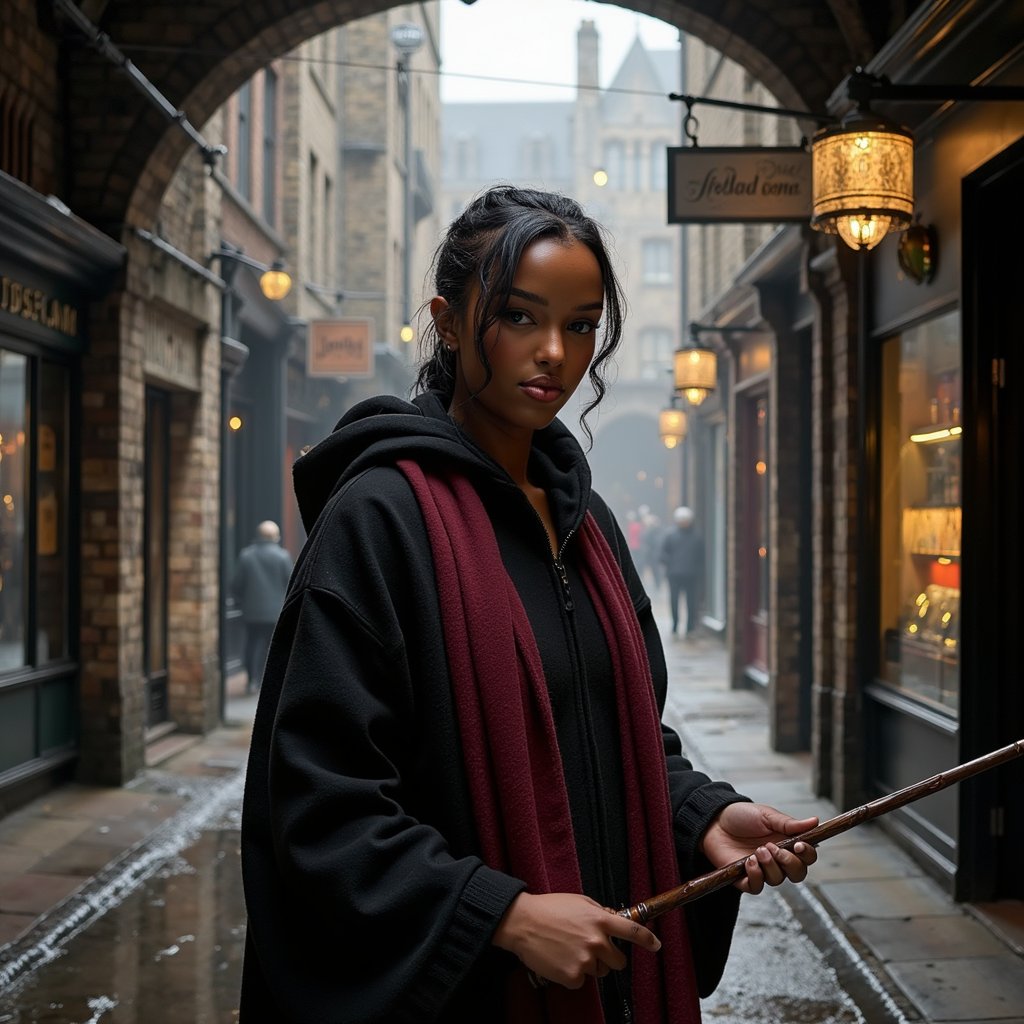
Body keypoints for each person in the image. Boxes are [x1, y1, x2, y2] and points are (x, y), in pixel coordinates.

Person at [238, 185, 818, 1023]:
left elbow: (618, 731)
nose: (554, 351)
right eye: (518, 316)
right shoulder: (379, 521)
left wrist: (703, 815)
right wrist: (499, 915)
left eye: (581, 325)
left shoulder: (584, 519)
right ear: (447, 318)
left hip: (608, 982)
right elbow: (320, 806)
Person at [231, 520, 293, 693]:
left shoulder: (246, 555)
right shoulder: (283, 556)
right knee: (272, 646)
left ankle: (251, 680)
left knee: (251, 644)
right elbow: (290, 583)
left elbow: (236, 584)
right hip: (275, 612)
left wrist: (241, 601)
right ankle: (269, 681)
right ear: (275, 536)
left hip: (252, 611)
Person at [661, 506, 705, 638]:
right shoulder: (671, 535)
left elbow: (701, 557)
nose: (683, 522)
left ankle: (690, 626)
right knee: (674, 601)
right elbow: (663, 554)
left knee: (691, 601)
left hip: (690, 575)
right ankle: (675, 625)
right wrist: (670, 563)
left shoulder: (696, 537)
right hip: (674, 575)